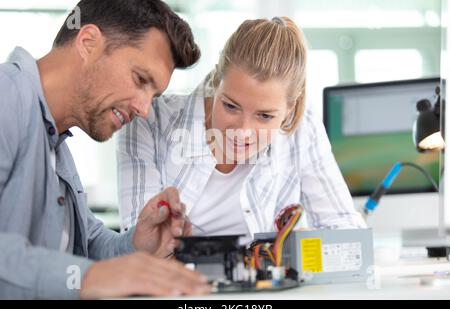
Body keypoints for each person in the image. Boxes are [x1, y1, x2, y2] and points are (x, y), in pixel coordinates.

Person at [0, 0, 211, 299]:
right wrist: (90, 277)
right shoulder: (6, 99)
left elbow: (86, 247)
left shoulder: (56, 146)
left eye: (154, 95)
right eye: (140, 79)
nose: (144, 109)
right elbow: (82, 274)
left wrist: (137, 245)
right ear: (88, 42)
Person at [118, 17, 366, 245]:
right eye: (230, 106)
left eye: (265, 116)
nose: (243, 132)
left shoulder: (301, 127)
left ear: (289, 109)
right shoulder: (149, 120)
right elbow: (138, 244)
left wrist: (300, 250)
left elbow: (347, 234)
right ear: (217, 81)